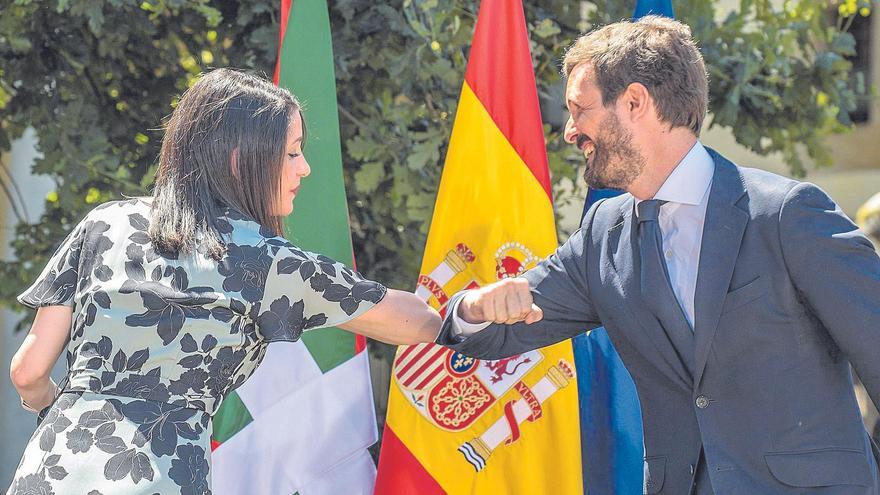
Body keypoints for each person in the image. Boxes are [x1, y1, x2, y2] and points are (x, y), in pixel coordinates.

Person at [436, 16, 880, 495]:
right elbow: (498, 329)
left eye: (579, 110)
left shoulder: (786, 215)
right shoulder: (603, 237)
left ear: (634, 101)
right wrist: (472, 308)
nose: (569, 131)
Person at [7, 68, 440, 495]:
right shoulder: (265, 262)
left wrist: (54, 407)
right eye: (292, 153)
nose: (304, 168)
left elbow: (28, 372)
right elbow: (414, 321)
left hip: (47, 471)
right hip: (160, 480)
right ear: (239, 159)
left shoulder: (102, 225)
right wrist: (477, 310)